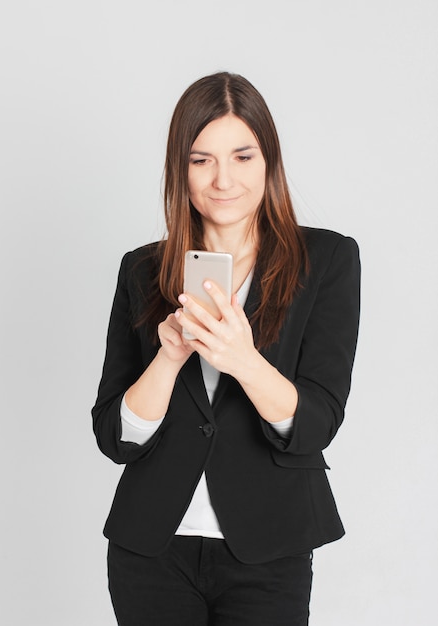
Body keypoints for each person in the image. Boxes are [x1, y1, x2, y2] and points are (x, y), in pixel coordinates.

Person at [91, 71, 360, 626]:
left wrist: (244, 360)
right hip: (151, 550)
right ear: (180, 169)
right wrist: (167, 360)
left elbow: (317, 425)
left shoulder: (327, 261)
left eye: (242, 156)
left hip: (268, 547)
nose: (222, 180)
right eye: (200, 160)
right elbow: (115, 439)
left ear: (269, 162)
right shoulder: (142, 270)